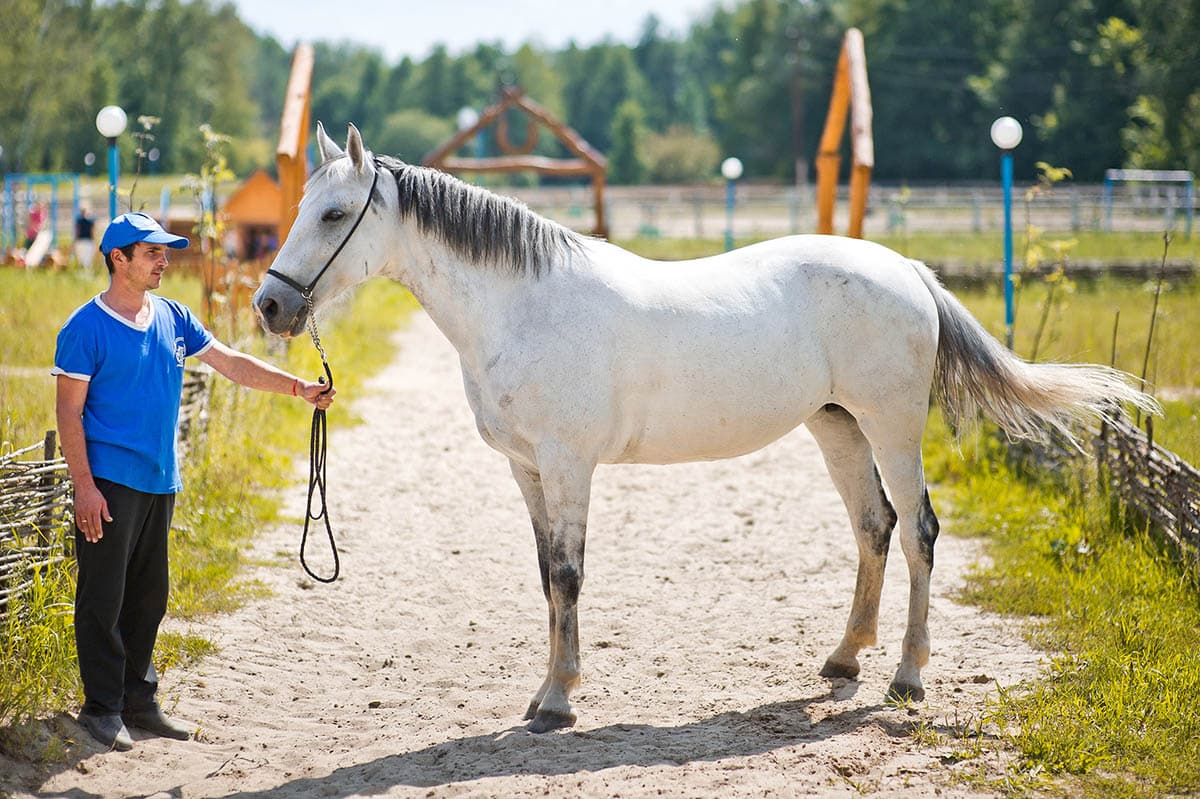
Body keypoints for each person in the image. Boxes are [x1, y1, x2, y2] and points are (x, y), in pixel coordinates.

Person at [52, 212, 336, 752]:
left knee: (148, 598)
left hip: (160, 481)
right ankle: (102, 708)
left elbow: (231, 363)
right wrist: (84, 487)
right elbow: (70, 415)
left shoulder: (174, 316)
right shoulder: (84, 328)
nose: (165, 261)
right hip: (108, 483)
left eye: (165, 252)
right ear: (119, 259)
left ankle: (141, 702)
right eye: (153, 253)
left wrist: (298, 388)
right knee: (102, 598)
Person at [74, 205, 96, 269]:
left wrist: (75, 241)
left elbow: (77, 232)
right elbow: (93, 232)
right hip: (88, 241)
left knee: (81, 259)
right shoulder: (91, 221)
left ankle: (82, 273)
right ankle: (87, 274)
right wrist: (94, 241)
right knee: (88, 260)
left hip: (80, 241)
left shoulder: (78, 221)